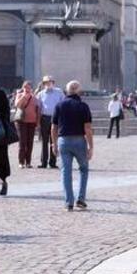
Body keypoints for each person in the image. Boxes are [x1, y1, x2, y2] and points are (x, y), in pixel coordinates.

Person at [51, 81, 93, 211]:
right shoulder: (83, 106)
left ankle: (69, 201)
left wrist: (53, 143)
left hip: (63, 140)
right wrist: (91, 146)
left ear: (67, 91)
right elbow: (87, 128)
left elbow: (54, 127)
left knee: (66, 172)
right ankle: (81, 199)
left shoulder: (59, 105)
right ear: (79, 91)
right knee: (83, 169)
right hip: (79, 140)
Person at [37, 76, 65, 169]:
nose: (48, 84)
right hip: (44, 118)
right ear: (43, 84)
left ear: (53, 83)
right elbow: (38, 107)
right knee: (44, 141)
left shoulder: (59, 92)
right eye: (46, 82)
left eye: (50, 82)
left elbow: (63, 104)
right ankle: (43, 162)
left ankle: (53, 162)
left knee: (54, 141)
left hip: (56, 118)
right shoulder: (40, 94)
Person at [14, 81, 40, 169]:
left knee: (30, 142)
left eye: (28, 87)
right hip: (21, 121)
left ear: (31, 88)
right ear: (23, 88)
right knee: (22, 142)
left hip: (32, 122)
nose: (27, 89)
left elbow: (37, 109)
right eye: (25, 87)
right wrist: (24, 97)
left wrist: (38, 122)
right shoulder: (19, 95)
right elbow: (17, 105)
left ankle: (28, 162)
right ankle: (21, 162)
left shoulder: (34, 97)